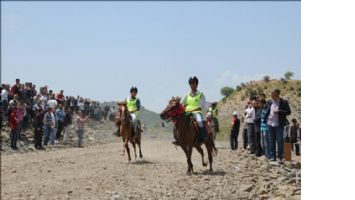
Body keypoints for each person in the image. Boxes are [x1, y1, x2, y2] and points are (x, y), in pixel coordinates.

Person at [266, 89, 291, 162]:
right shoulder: (269, 102)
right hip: (270, 124)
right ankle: (273, 156)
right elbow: (267, 110)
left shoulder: (284, 102)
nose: (271, 95)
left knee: (280, 141)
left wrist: (279, 111)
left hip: (279, 125)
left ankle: (280, 157)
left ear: (277, 94)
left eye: (272, 94)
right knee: (271, 141)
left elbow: (288, 112)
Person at [182, 76, 207, 144]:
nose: (192, 85)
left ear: (197, 84)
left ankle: (202, 138)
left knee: (199, 121)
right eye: (191, 83)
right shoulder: (186, 95)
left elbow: (201, 107)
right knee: (177, 121)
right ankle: (177, 138)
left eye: (194, 83)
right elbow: (183, 104)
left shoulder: (201, 94)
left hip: (197, 113)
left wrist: (192, 110)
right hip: (186, 113)